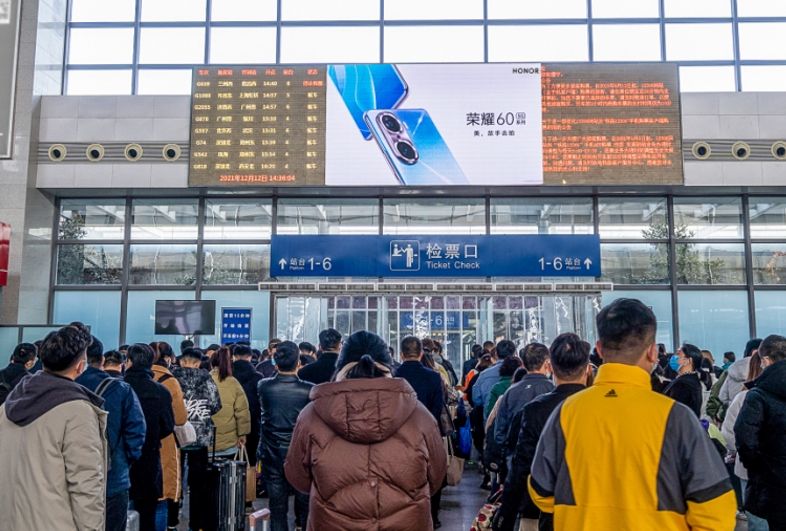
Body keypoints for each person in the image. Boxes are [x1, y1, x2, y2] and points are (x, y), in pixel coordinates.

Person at [528, 298, 736, 530]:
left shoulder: (566, 413)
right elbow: (715, 511)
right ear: (652, 352)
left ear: (599, 349)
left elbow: (541, 492)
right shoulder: (676, 418)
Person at [285, 330, 447, 531]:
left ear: (341, 366)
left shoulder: (312, 415)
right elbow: (437, 475)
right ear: (388, 365)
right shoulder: (419, 415)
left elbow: (297, 476)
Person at [0, 325, 107, 530]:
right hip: (53, 522)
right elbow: (86, 484)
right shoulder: (77, 411)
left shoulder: (9, 404)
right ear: (80, 366)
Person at [494, 333, 591, 531]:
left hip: (540, 510)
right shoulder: (598, 408)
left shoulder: (534, 409)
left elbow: (521, 466)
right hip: (594, 511)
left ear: (551, 367)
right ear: (588, 368)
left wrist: (506, 514)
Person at [76, 334, 146, 531]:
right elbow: (137, 431)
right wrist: (124, 460)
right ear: (102, 360)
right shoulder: (121, 388)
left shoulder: (65, 387)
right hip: (112, 477)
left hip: (71, 477)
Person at [258, 341, 313, 531]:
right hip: (301, 452)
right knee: (305, 504)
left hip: (271, 451)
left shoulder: (264, 386)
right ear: (298, 363)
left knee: (277, 507)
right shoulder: (309, 390)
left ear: (275, 362)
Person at [734, 334, 786, 529]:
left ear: (765, 360)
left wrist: (759, 469)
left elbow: (745, 438)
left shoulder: (758, 396)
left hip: (769, 488)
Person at [125, 343, 176, 531]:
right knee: (147, 514)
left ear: (128, 362)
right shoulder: (160, 391)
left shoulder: (119, 388)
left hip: (120, 459)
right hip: (150, 457)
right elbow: (168, 426)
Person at [721, 351, 767, 530]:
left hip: (749, 470)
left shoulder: (743, 397)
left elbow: (729, 433)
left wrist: (744, 454)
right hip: (771, 469)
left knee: (757, 521)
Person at [150, 341, 188, 530]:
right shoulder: (170, 381)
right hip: (163, 443)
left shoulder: (129, 380)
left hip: (137, 444)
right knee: (161, 495)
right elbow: (180, 418)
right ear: (168, 359)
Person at [491, 343, 553, 457]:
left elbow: (499, 431)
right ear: (546, 363)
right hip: (545, 456)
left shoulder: (511, 391)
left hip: (516, 455)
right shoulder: (552, 389)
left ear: (523, 364)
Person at [210, 346, 251, 457]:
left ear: (212, 364)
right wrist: (242, 434)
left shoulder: (202, 381)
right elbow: (242, 412)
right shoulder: (233, 383)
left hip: (205, 443)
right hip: (229, 443)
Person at [395, 335, 445, 422]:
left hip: (400, 428)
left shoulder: (394, 376)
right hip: (426, 426)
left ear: (401, 355)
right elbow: (437, 409)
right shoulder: (434, 377)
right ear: (421, 354)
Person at [232, 344, 263, 471]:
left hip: (230, 423)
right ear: (250, 357)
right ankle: (250, 482)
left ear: (234, 357)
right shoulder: (258, 377)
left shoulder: (227, 375)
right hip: (252, 423)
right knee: (251, 459)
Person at [473, 339, 517, 419]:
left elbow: (476, 399)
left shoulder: (484, 374)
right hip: (515, 421)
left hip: (490, 420)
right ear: (514, 354)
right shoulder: (521, 373)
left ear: (496, 354)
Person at [663, 343, 704, 418]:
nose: (674, 357)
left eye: (678, 354)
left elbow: (675, 411)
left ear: (688, 361)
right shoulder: (691, 380)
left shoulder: (683, 384)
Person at [719, 338, 762, 407]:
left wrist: (733, 405)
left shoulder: (734, 368)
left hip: (734, 410)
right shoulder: (764, 367)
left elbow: (722, 396)